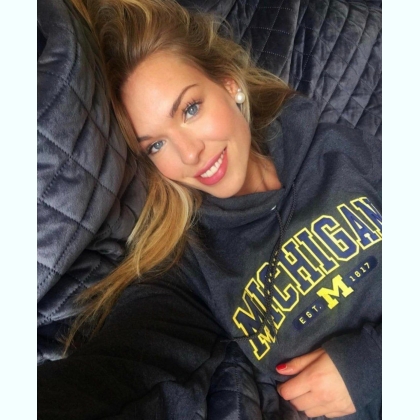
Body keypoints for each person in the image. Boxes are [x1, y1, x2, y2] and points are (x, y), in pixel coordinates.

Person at [38, 0, 382, 419]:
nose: (190, 153)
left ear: (229, 84)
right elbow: (123, 370)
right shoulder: (192, 268)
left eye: (190, 109)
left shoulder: (337, 151)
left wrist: (374, 361)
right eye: (156, 145)